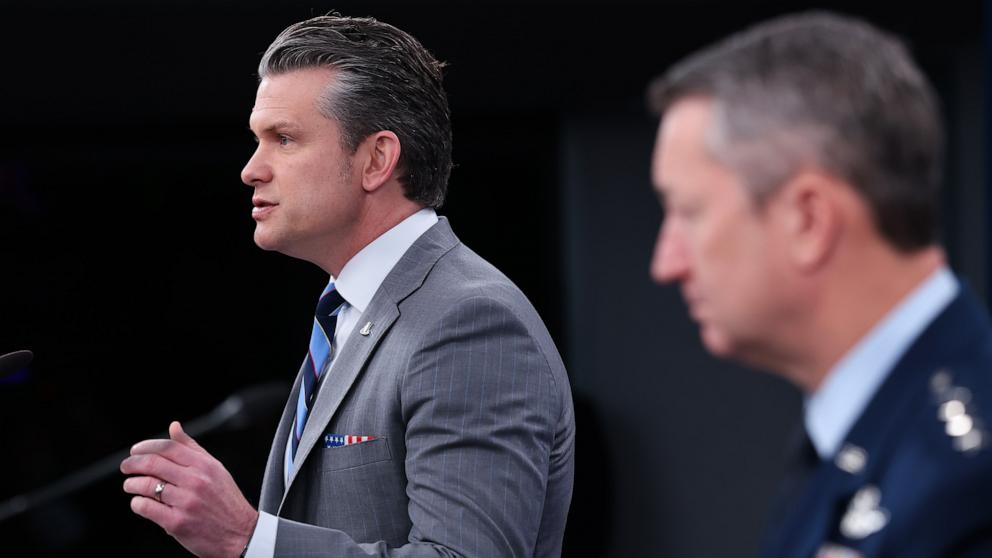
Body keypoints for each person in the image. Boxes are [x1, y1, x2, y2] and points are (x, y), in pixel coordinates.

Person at [120, 14, 575, 558]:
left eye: (284, 139)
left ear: (377, 159)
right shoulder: (351, 310)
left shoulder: (468, 321)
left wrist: (250, 538)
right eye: (257, 140)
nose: (251, 169)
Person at [646, 11, 992, 558]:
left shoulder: (965, 487)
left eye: (689, 213)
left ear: (809, 221)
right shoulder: (866, 430)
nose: (666, 263)